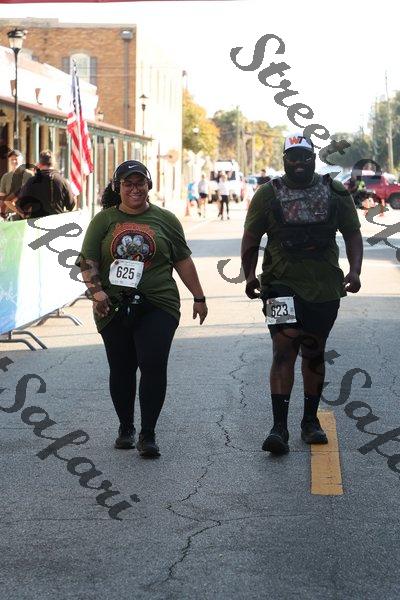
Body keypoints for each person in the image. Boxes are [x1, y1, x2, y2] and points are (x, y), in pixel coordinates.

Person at [241, 133, 363, 455]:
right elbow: (251, 236)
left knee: (313, 351)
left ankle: (310, 421)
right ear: (284, 160)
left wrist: (355, 270)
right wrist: (250, 275)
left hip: (324, 287)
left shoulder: (335, 191)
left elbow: (352, 233)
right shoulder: (268, 194)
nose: (298, 163)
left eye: (304, 157)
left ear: (313, 158)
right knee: (283, 349)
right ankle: (278, 428)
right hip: (278, 284)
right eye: (292, 157)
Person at [77, 160, 208, 458]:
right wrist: (97, 292)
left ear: (149, 186)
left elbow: (182, 260)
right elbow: (88, 260)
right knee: (122, 368)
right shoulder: (104, 220)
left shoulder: (166, 219)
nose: (134, 189)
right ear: (118, 187)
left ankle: (148, 434)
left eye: (140, 183)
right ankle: (126, 428)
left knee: (152, 364)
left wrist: (199, 297)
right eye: (128, 184)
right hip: (112, 305)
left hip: (158, 304)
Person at [15, 150, 75, 218]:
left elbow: (20, 204)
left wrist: (26, 213)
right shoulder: (63, 181)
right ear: (53, 164)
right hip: (58, 222)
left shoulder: (31, 181)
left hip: (37, 223)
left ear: (39, 164)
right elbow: (71, 206)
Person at [0, 149, 33, 220]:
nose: (14, 161)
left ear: (21, 160)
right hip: (10, 215)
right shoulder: (5, 177)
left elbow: (34, 194)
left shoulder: (29, 175)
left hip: (26, 214)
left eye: (16, 159)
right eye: (12, 159)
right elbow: (2, 197)